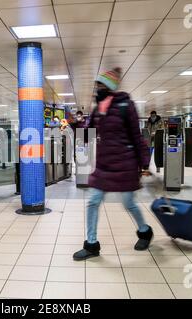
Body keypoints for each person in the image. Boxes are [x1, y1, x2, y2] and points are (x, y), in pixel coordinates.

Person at [73, 68, 153, 261]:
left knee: (128, 203)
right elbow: (87, 131)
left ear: (109, 87)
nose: (97, 89)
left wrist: (144, 164)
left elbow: (136, 136)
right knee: (93, 201)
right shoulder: (98, 108)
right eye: (96, 85)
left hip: (125, 163)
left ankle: (145, 231)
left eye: (100, 85)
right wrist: (74, 124)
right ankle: (91, 244)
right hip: (104, 164)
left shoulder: (126, 105)